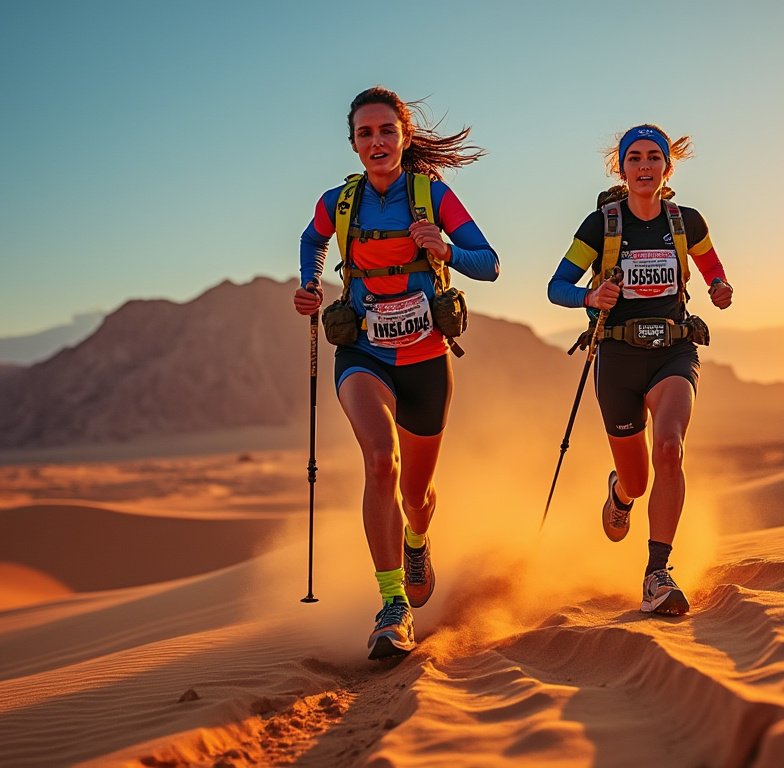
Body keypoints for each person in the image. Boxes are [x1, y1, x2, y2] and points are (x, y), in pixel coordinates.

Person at [293, 87, 498, 658]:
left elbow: (490, 262)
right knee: (381, 460)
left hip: (428, 360)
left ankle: (416, 541)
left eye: (387, 131)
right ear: (354, 143)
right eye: (366, 133)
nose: (377, 141)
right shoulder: (339, 201)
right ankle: (392, 606)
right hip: (362, 352)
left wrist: (446, 250)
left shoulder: (433, 195)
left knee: (419, 495)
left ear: (405, 137)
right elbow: (312, 240)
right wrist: (312, 285)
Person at [546, 124, 733, 616]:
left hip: (673, 352)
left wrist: (719, 288)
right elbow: (556, 285)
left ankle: (657, 573)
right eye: (635, 158)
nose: (645, 166)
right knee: (639, 477)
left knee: (669, 449)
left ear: (668, 167)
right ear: (621, 168)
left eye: (654, 157)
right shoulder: (600, 226)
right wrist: (589, 296)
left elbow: (712, 266)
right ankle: (620, 493)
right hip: (618, 360)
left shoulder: (686, 222)